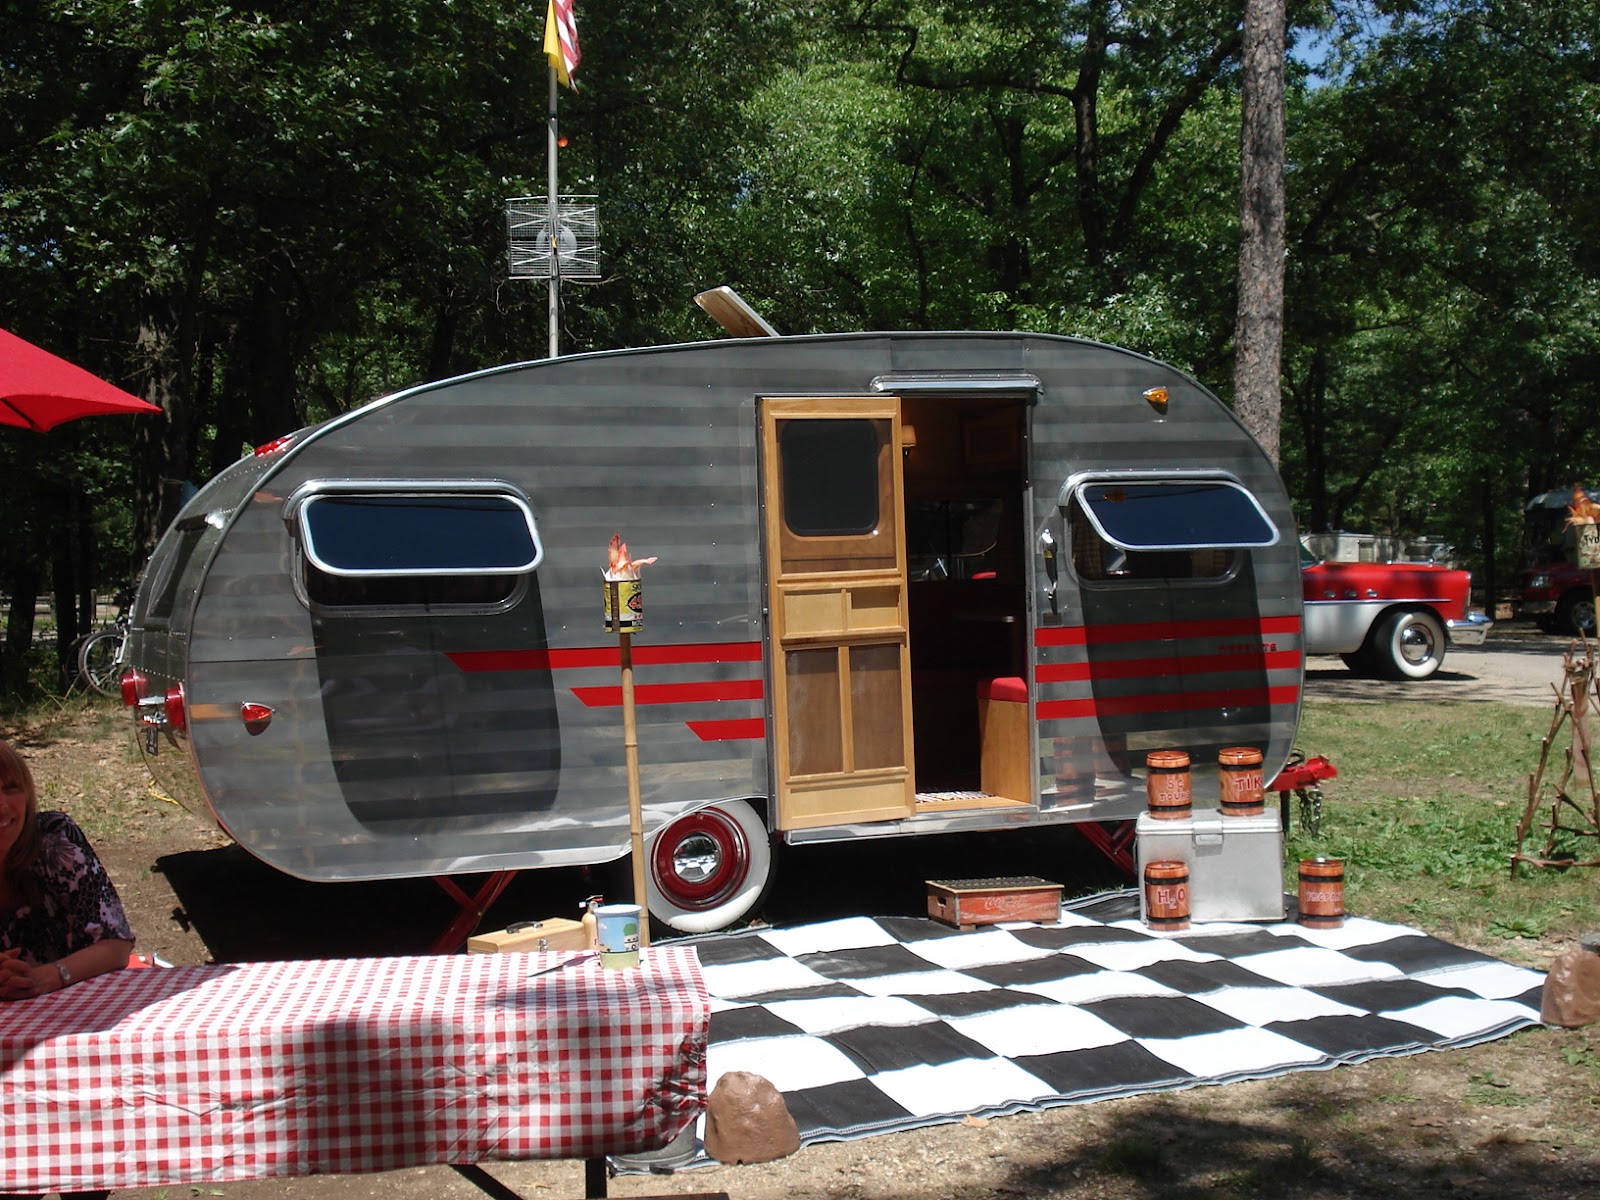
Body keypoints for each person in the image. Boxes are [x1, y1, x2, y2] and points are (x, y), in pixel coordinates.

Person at [0, 739, 134, 1002]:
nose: (2, 806)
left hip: (81, 1011)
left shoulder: (53, 839)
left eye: (11, 788)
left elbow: (115, 946)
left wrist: (49, 976)